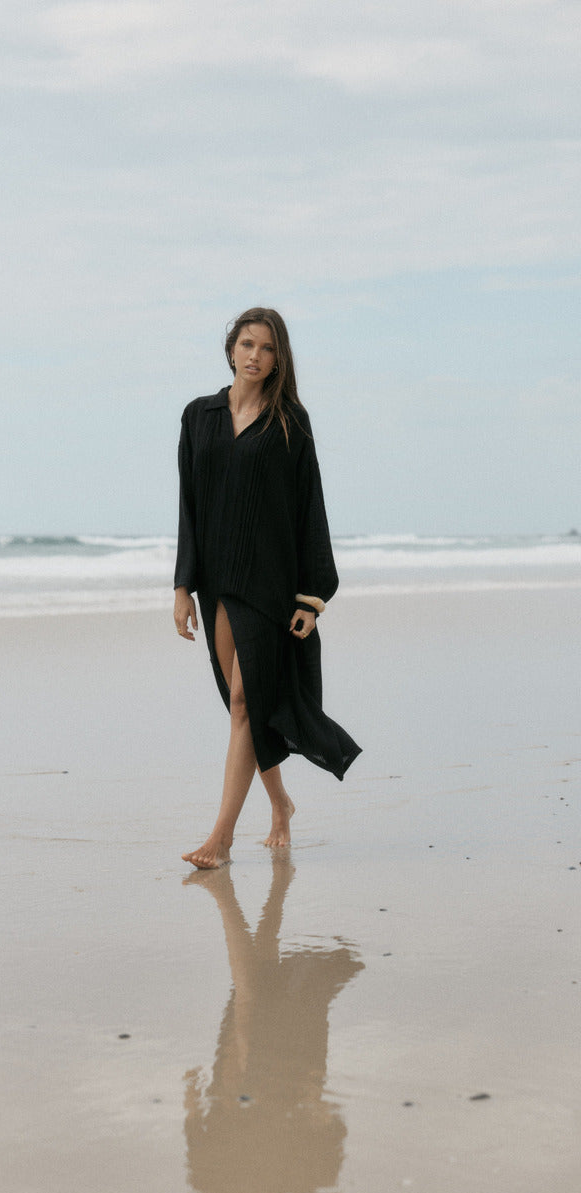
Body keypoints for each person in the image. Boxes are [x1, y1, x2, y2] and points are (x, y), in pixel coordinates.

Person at [174, 307, 361, 869]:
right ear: (231, 348)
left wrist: (311, 597)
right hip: (217, 580)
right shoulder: (198, 415)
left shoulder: (289, 421)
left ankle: (221, 838)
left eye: (268, 348)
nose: (255, 355)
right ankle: (280, 803)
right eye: (247, 344)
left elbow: (309, 508)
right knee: (245, 707)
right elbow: (189, 504)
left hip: (269, 583)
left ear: (279, 359)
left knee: (244, 702)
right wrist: (183, 585)